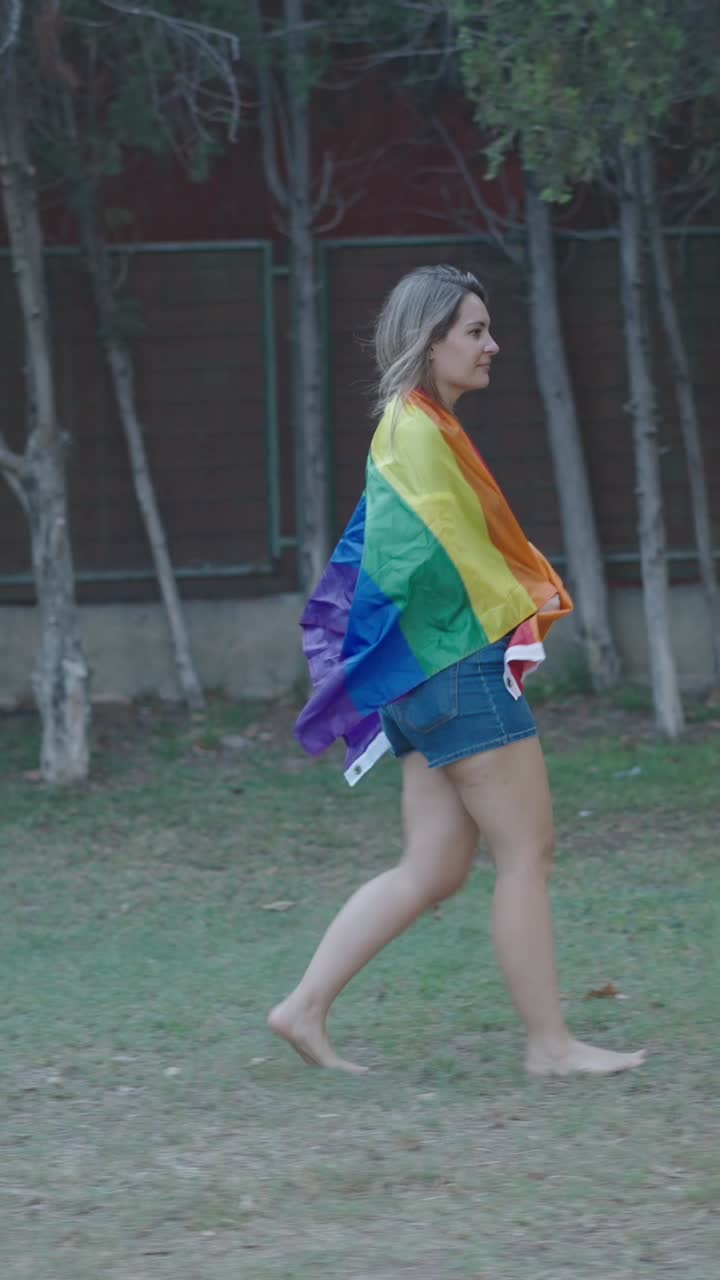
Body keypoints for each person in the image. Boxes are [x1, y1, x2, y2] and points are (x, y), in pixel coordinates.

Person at [269, 264, 646, 1077]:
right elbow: (424, 561)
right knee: (526, 855)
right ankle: (550, 1046)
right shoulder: (415, 431)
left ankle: (301, 1008)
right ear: (428, 339)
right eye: (474, 331)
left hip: (422, 684)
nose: (491, 345)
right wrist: (507, 613)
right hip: (455, 672)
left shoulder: (413, 427)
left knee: (433, 868)